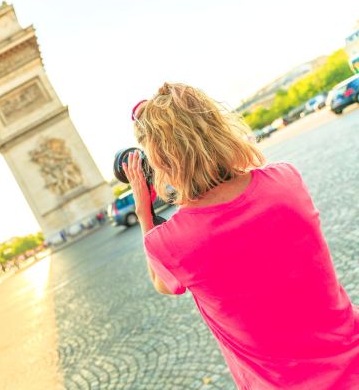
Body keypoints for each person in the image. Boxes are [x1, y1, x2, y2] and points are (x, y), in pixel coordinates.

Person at [122, 82, 358, 389]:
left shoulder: (169, 242)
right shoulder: (286, 179)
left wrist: (143, 213)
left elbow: (162, 283)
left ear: (161, 162)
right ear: (218, 127)